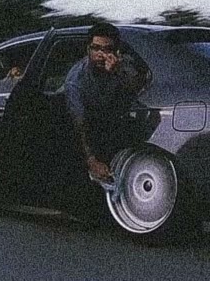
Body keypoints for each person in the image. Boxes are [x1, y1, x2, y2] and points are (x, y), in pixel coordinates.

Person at [63, 23, 152, 183]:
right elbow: (80, 125)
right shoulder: (76, 80)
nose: (100, 54)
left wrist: (118, 72)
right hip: (93, 133)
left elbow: (141, 90)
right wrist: (92, 161)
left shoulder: (123, 65)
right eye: (96, 48)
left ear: (116, 51)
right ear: (88, 49)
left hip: (125, 126)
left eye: (107, 49)